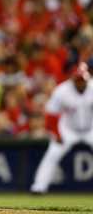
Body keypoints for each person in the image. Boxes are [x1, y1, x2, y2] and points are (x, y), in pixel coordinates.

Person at [31, 62, 93, 194]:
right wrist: (57, 134)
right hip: (67, 130)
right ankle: (38, 187)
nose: (81, 82)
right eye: (78, 80)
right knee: (53, 153)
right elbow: (50, 115)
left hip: (90, 129)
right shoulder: (62, 90)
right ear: (73, 79)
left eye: (83, 80)